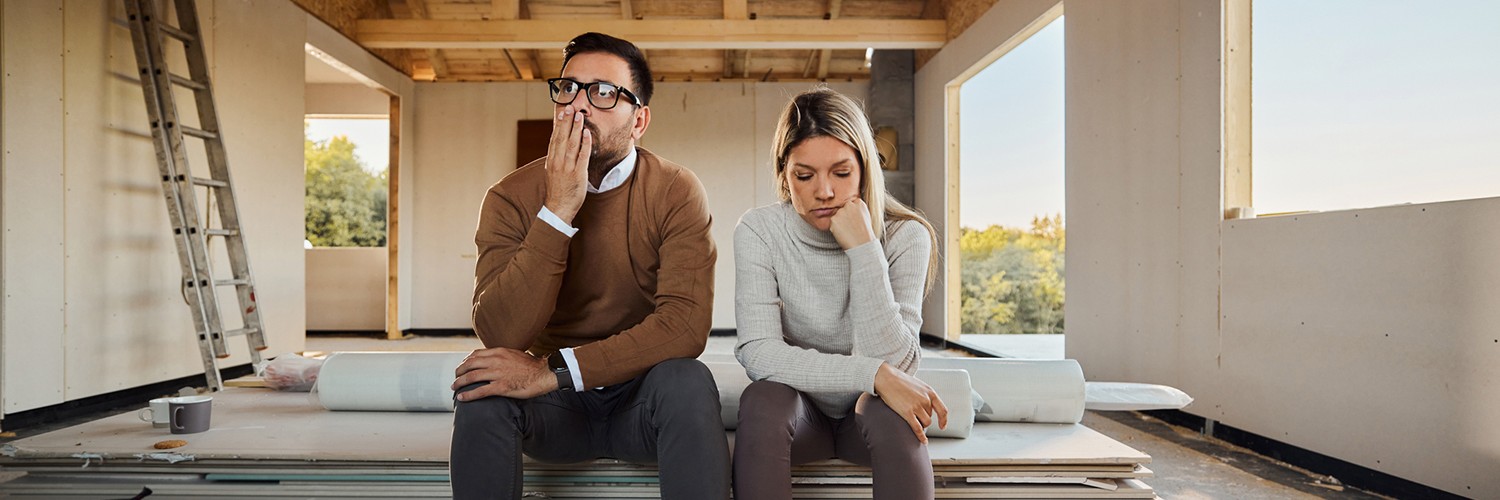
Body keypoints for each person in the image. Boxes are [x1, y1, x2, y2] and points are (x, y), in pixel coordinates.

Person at [449, 32, 729, 500]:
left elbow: (686, 326)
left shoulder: (675, 189)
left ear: (639, 120)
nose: (578, 105)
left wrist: (553, 370)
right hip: (554, 412)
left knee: (687, 379)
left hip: (640, 400)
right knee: (482, 383)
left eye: (603, 92)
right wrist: (557, 212)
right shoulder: (509, 197)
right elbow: (500, 332)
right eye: (568, 88)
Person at [731, 88, 948, 500]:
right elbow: (758, 351)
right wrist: (872, 374)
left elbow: (897, 363)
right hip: (800, 416)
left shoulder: (906, 236)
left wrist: (865, 251)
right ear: (783, 175)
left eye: (841, 172)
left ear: (865, 170)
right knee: (762, 399)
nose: (825, 191)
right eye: (804, 175)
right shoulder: (759, 231)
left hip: (869, 419)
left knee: (891, 408)